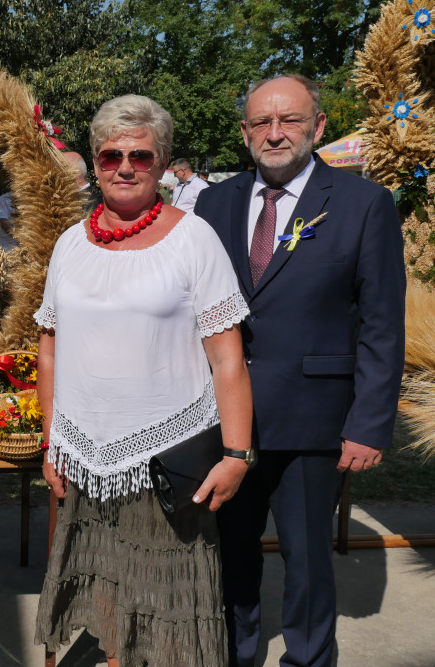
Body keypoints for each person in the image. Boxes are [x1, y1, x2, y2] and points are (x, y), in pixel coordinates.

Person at [35, 95, 254, 667]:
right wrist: (51, 440)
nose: (125, 167)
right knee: (105, 601)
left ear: (162, 164)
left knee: (167, 616)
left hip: (169, 460)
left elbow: (228, 358)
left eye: (141, 155)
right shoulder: (69, 245)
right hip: (84, 456)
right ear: (95, 160)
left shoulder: (194, 239)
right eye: (111, 156)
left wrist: (236, 454)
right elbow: (50, 346)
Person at [195, 74, 405, 667]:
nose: (275, 132)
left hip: (316, 422)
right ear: (244, 133)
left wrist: (369, 424)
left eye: (288, 120)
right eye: (261, 122)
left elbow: (382, 324)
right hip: (225, 422)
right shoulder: (216, 202)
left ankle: (309, 659)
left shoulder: (365, 204)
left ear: (317, 126)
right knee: (230, 555)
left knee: (308, 560)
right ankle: (236, 654)